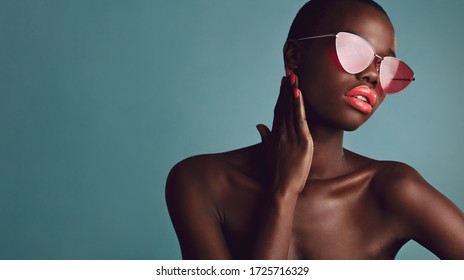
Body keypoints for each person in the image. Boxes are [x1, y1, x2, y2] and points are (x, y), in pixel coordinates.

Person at [165, 0, 464, 259]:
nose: (373, 74)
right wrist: (284, 191)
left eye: (387, 66)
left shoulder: (392, 189)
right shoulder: (199, 182)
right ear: (294, 55)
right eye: (355, 50)